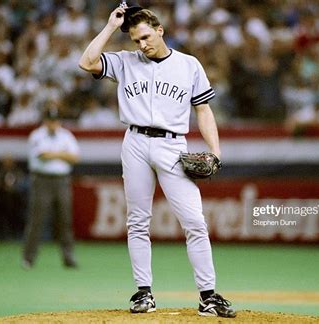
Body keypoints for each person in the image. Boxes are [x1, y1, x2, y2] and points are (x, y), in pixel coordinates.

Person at [78, 2, 235, 318]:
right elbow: (87, 61)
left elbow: (203, 110)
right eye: (136, 40)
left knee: (194, 221)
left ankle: (208, 296)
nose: (142, 44)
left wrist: (216, 152)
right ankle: (143, 293)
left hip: (172, 145)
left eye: (147, 37)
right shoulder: (125, 62)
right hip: (134, 142)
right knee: (137, 221)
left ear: (160, 30)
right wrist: (111, 27)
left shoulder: (189, 65)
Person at [21, 108, 80, 269]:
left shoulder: (66, 135)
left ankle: (68, 257)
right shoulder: (37, 135)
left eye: (55, 120)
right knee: (37, 220)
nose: (53, 123)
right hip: (42, 180)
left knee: (65, 219)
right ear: (45, 120)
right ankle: (28, 258)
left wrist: (53, 153)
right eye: (50, 120)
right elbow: (41, 155)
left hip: (61, 181)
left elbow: (75, 157)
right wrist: (62, 154)